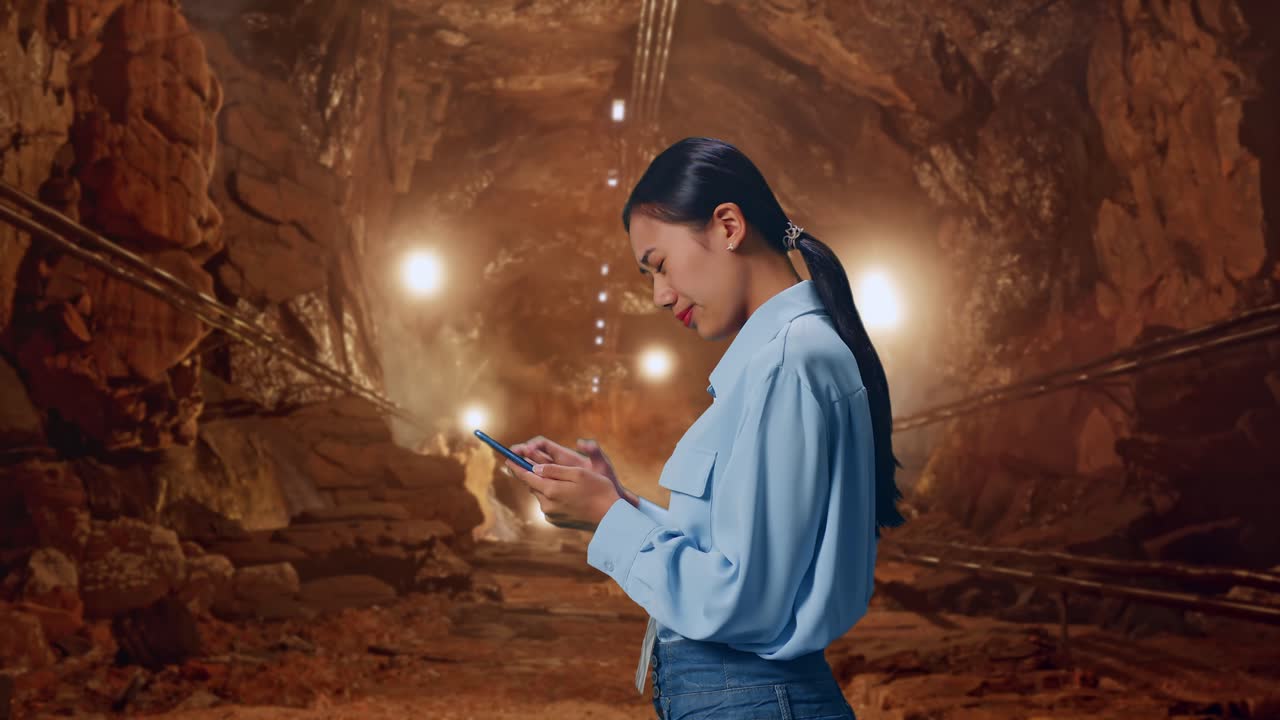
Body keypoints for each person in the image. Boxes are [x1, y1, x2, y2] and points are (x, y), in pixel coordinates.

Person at [505, 137, 906, 720]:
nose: (660, 297)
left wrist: (604, 518)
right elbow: (734, 554)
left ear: (726, 226)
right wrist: (616, 501)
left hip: (754, 699)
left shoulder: (789, 363)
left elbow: (743, 601)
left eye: (659, 266)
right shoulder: (781, 358)